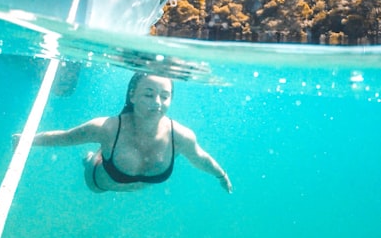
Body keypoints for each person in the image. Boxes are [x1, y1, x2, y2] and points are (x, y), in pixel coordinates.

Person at [28, 72, 233, 193]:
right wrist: (26, 141)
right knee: (92, 158)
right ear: (132, 96)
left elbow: (200, 158)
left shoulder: (180, 136)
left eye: (165, 96)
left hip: (127, 181)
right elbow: (65, 137)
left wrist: (221, 175)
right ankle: (91, 157)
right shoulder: (107, 128)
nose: (157, 103)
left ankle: (100, 153)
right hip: (99, 184)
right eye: (149, 94)